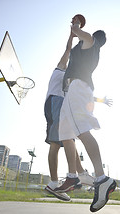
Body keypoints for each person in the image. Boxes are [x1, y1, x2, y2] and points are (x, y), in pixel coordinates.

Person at [55, 15, 116, 212]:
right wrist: (73, 32)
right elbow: (71, 42)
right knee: (65, 134)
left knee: (82, 130)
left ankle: (101, 178)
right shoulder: (80, 48)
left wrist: (77, 25)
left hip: (78, 88)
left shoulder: (91, 42)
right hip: (73, 90)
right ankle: (73, 176)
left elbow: (81, 34)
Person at [44, 25, 94, 201]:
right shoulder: (60, 69)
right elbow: (68, 50)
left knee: (67, 139)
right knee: (58, 143)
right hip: (55, 101)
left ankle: (77, 175)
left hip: (61, 104)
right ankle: (57, 182)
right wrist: (73, 35)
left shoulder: (71, 80)